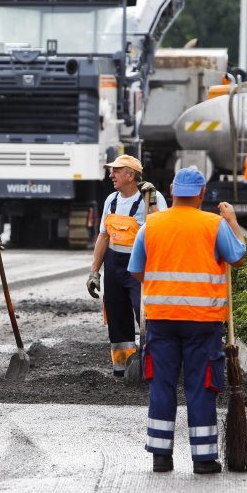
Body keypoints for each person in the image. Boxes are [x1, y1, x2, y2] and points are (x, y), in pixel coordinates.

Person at [127, 167, 247, 475]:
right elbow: (238, 257)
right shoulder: (214, 224)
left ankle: (160, 456)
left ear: (172, 190)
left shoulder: (151, 225)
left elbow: (137, 270)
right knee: (201, 386)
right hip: (202, 322)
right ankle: (205, 459)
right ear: (202, 193)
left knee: (162, 386)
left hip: (161, 320)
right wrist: (233, 221)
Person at [86, 155, 167, 378]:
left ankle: (153, 367)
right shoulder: (111, 199)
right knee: (116, 315)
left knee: (146, 316)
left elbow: (160, 230)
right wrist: (95, 271)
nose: (111, 175)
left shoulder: (152, 198)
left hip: (141, 266)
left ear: (130, 175)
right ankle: (122, 367)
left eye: (116, 171)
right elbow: (103, 236)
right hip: (114, 265)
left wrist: (151, 204)